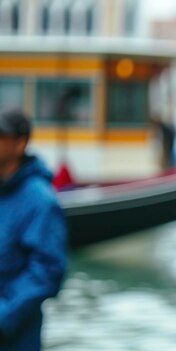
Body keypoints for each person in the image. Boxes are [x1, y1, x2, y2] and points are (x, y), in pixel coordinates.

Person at [0, 109, 67, 351]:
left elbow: (48, 271)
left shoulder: (40, 200)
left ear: (20, 144)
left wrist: (3, 315)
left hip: (13, 338)